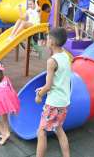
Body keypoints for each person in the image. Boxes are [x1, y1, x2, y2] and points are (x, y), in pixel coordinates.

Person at [35, 27, 70, 157]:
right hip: (64, 101)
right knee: (59, 130)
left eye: (48, 38)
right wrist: (43, 87)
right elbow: (59, 79)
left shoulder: (52, 61)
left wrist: (40, 95)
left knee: (41, 132)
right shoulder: (65, 56)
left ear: (51, 41)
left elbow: (49, 86)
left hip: (54, 103)